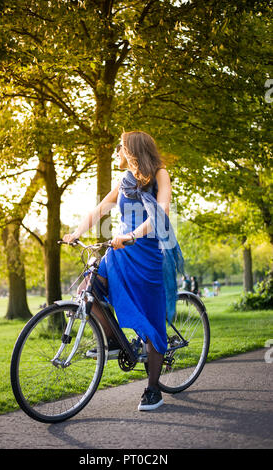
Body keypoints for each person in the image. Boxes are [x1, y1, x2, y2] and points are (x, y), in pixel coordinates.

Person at [63, 130, 184, 412]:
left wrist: (133, 235)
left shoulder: (160, 175)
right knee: (86, 290)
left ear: (131, 151)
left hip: (146, 255)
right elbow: (100, 209)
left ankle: (154, 389)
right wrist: (76, 233)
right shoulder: (125, 180)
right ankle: (116, 342)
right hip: (118, 252)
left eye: (119, 148)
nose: (116, 152)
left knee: (153, 324)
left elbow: (161, 214)